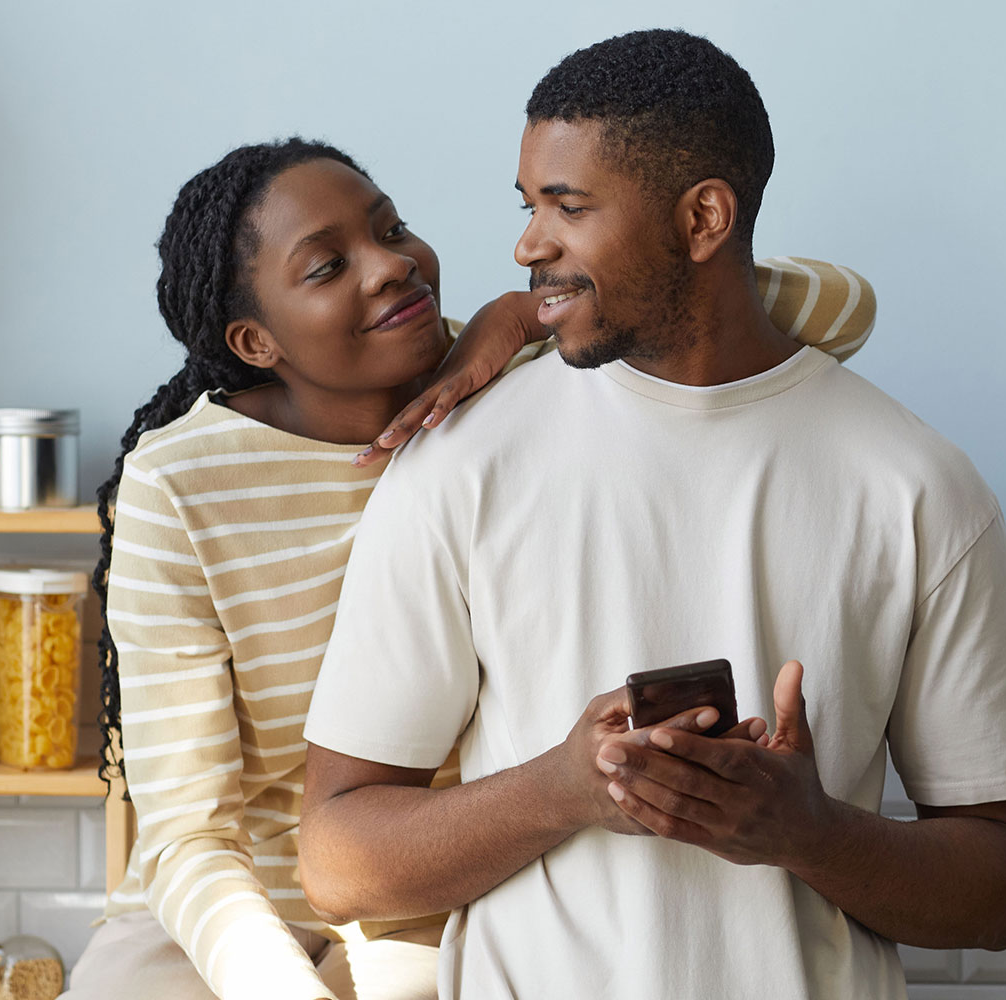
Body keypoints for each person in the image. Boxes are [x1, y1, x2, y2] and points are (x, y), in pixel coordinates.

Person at [299, 29, 1006, 999]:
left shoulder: (917, 487)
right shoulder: (458, 462)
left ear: (702, 218)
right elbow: (337, 860)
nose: (528, 246)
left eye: (566, 208)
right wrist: (562, 789)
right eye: (528, 207)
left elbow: (998, 892)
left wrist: (803, 831)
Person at [66, 136, 876, 1000]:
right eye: (328, 265)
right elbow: (190, 838)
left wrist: (526, 316)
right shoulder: (183, 482)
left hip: (429, 899)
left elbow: (843, 306)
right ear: (254, 339)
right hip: (220, 924)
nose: (392, 266)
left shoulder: (517, 377)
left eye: (394, 228)